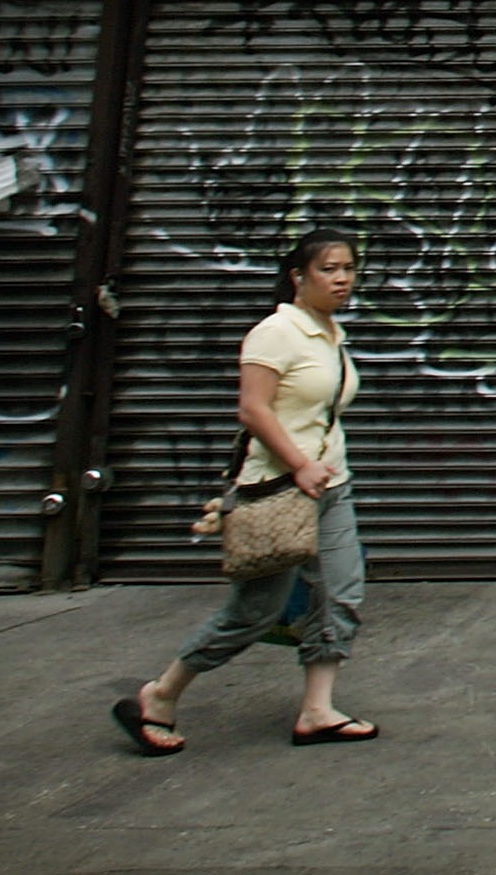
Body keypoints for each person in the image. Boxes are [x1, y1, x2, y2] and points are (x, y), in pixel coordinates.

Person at [111, 229, 377, 754]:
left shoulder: (330, 334)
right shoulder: (277, 332)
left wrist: (321, 467)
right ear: (299, 276)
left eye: (349, 268)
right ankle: (160, 695)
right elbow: (252, 410)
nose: (342, 278)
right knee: (256, 611)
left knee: (340, 594)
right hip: (279, 489)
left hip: (331, 488)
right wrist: (300, 465)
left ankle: (317, 711)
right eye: (329, 269)